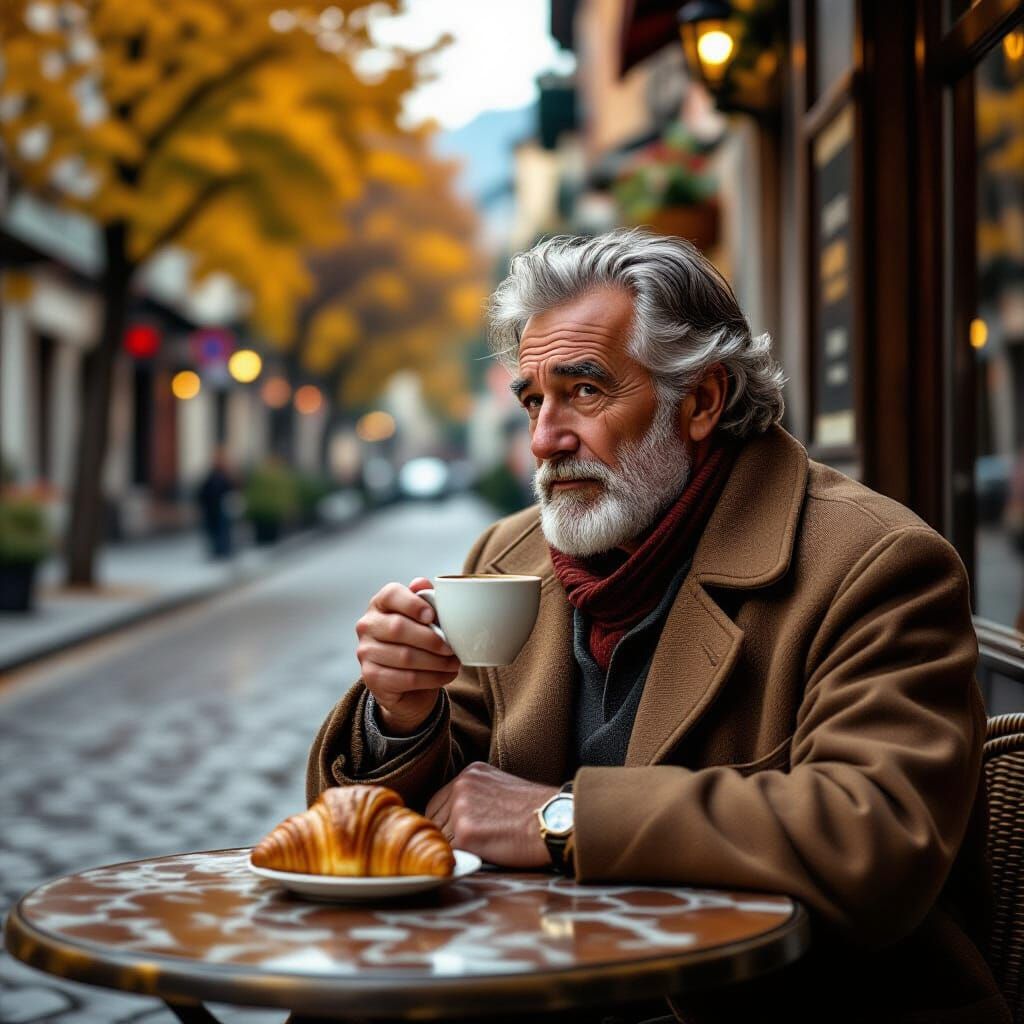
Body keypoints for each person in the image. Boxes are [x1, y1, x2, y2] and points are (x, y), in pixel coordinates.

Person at [306, 231, 1006, 1023]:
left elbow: (873, 841)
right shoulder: (508, 555)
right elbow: (424, 820)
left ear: (702, 401)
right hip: (530, 989)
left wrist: (560, 819)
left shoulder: (874, 562)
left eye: (586, 392)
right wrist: (402, 714)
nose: (544, 439)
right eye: (534, 400)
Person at [196, 448, 236, 559]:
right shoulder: (214, 476)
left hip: (220, 509)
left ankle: (222, 551)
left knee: (221, 531)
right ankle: (219, 551)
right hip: (213, 509)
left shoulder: (224, 476)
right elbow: (203, 493)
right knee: (215, 532)